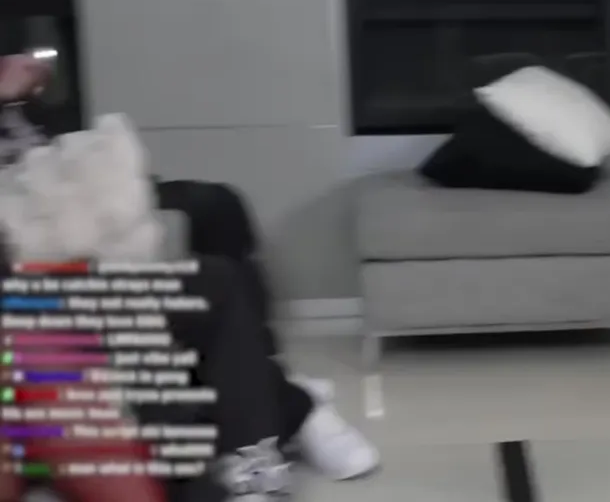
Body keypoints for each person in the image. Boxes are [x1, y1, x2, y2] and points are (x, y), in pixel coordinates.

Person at [0, 55, 379, 500]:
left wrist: (27, 99)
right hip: (29, 276)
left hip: (53, 207)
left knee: (216, 229)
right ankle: (291, 405)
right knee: (171, 307)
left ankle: (257, 453)